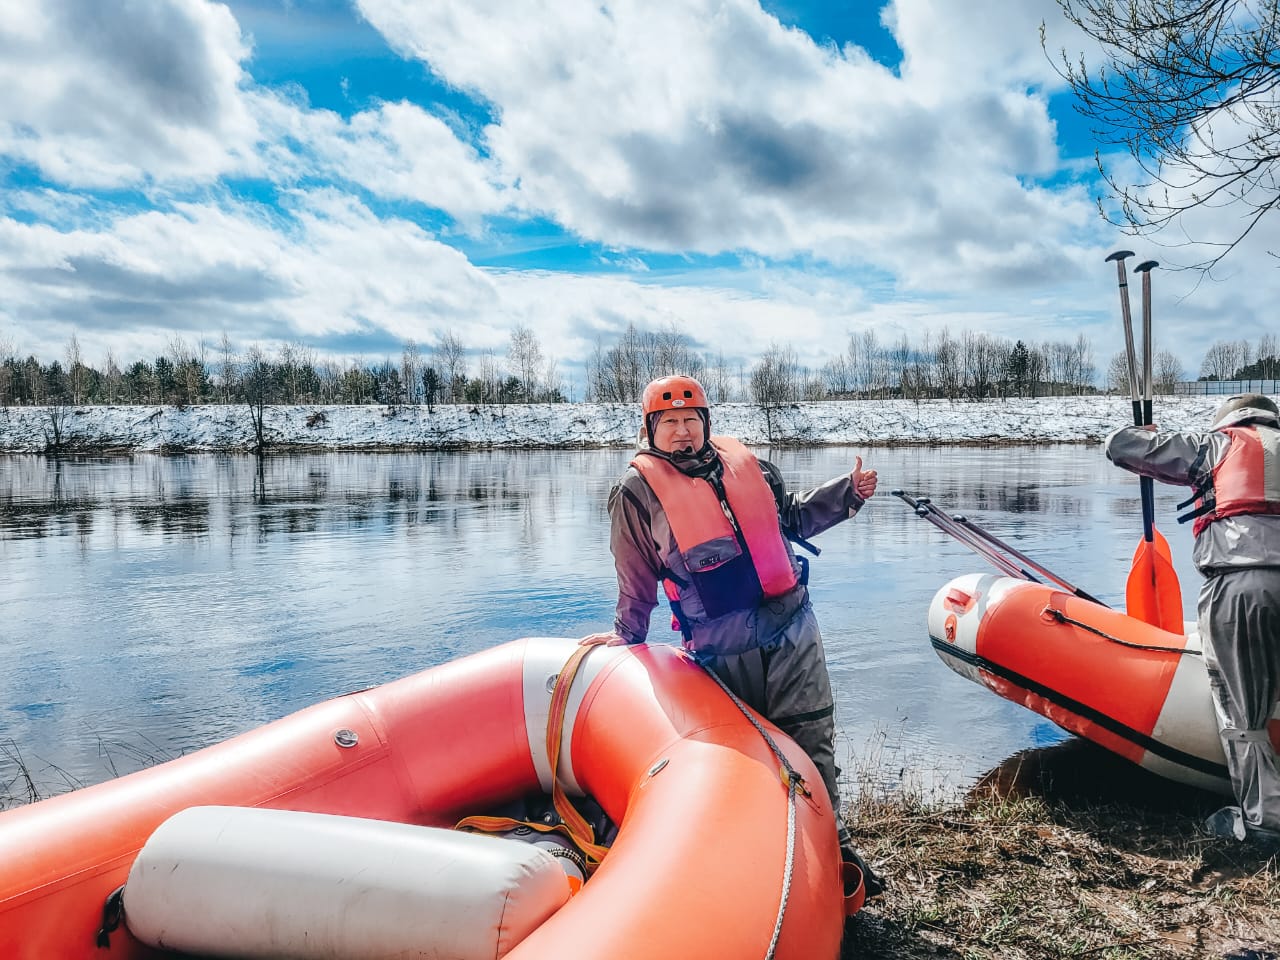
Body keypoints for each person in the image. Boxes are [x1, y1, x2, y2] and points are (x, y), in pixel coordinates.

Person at [588, 374, 884, 893]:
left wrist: (847, 494)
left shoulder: (752, 468)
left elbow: (790, 518)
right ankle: (754, 872)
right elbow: (634, 578)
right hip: (721, 651)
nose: (682, 433)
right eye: (670, 423)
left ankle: (829, 853)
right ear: (650, 430)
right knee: (745, 763)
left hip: (793, 627)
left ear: (707, 423)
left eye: (691, 421)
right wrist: (626, 635)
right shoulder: (634, 496)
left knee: (812, 737)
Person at [1105, 393, 1280, 841]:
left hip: (1241, 585)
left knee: (1244, 714)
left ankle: (1263, 826)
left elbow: (1120, 445)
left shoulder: (1216, 445)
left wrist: (1148, 435)